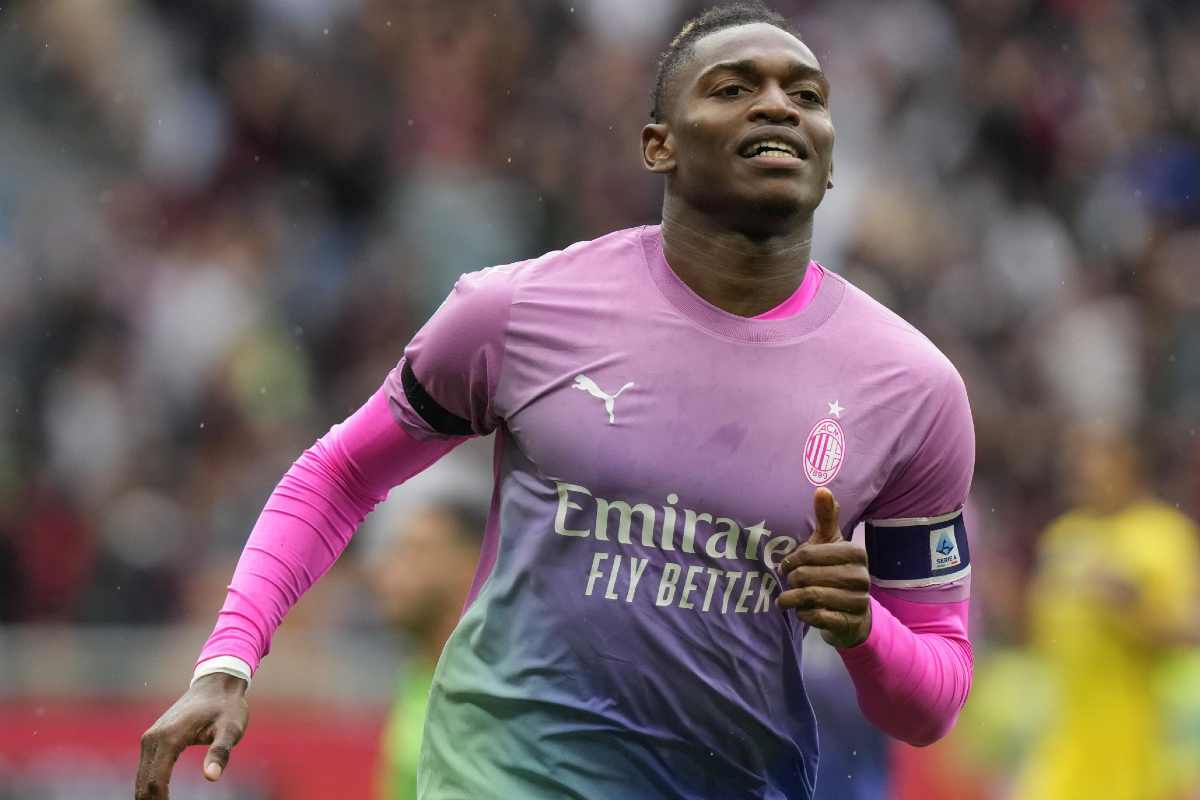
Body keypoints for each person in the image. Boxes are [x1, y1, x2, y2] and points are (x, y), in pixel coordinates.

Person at [135, 3, 977, 798]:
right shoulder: (516, 311)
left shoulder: (912, 390)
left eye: (807, 96)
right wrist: (229, 659)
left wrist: (863, 628)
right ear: (659, 146)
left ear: (829, 160)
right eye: (733, 87)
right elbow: (340, 473)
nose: (778, 106)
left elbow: (931, 705)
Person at [1016, 426, 1200, 800]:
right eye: (1079, 463)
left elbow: (1186, 631)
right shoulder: (1064, 536)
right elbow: (1040, 632)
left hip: (1139, 744)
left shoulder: (1163, 534)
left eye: (1096, 461)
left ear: (1128, 464)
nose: (1084, 472)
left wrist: (1128, 602)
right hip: (1067, 741)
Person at [360, 454, 490, 800]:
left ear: (471, 565)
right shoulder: (417, 676)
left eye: (414, 551)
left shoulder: (497, 696)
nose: (383, 570)